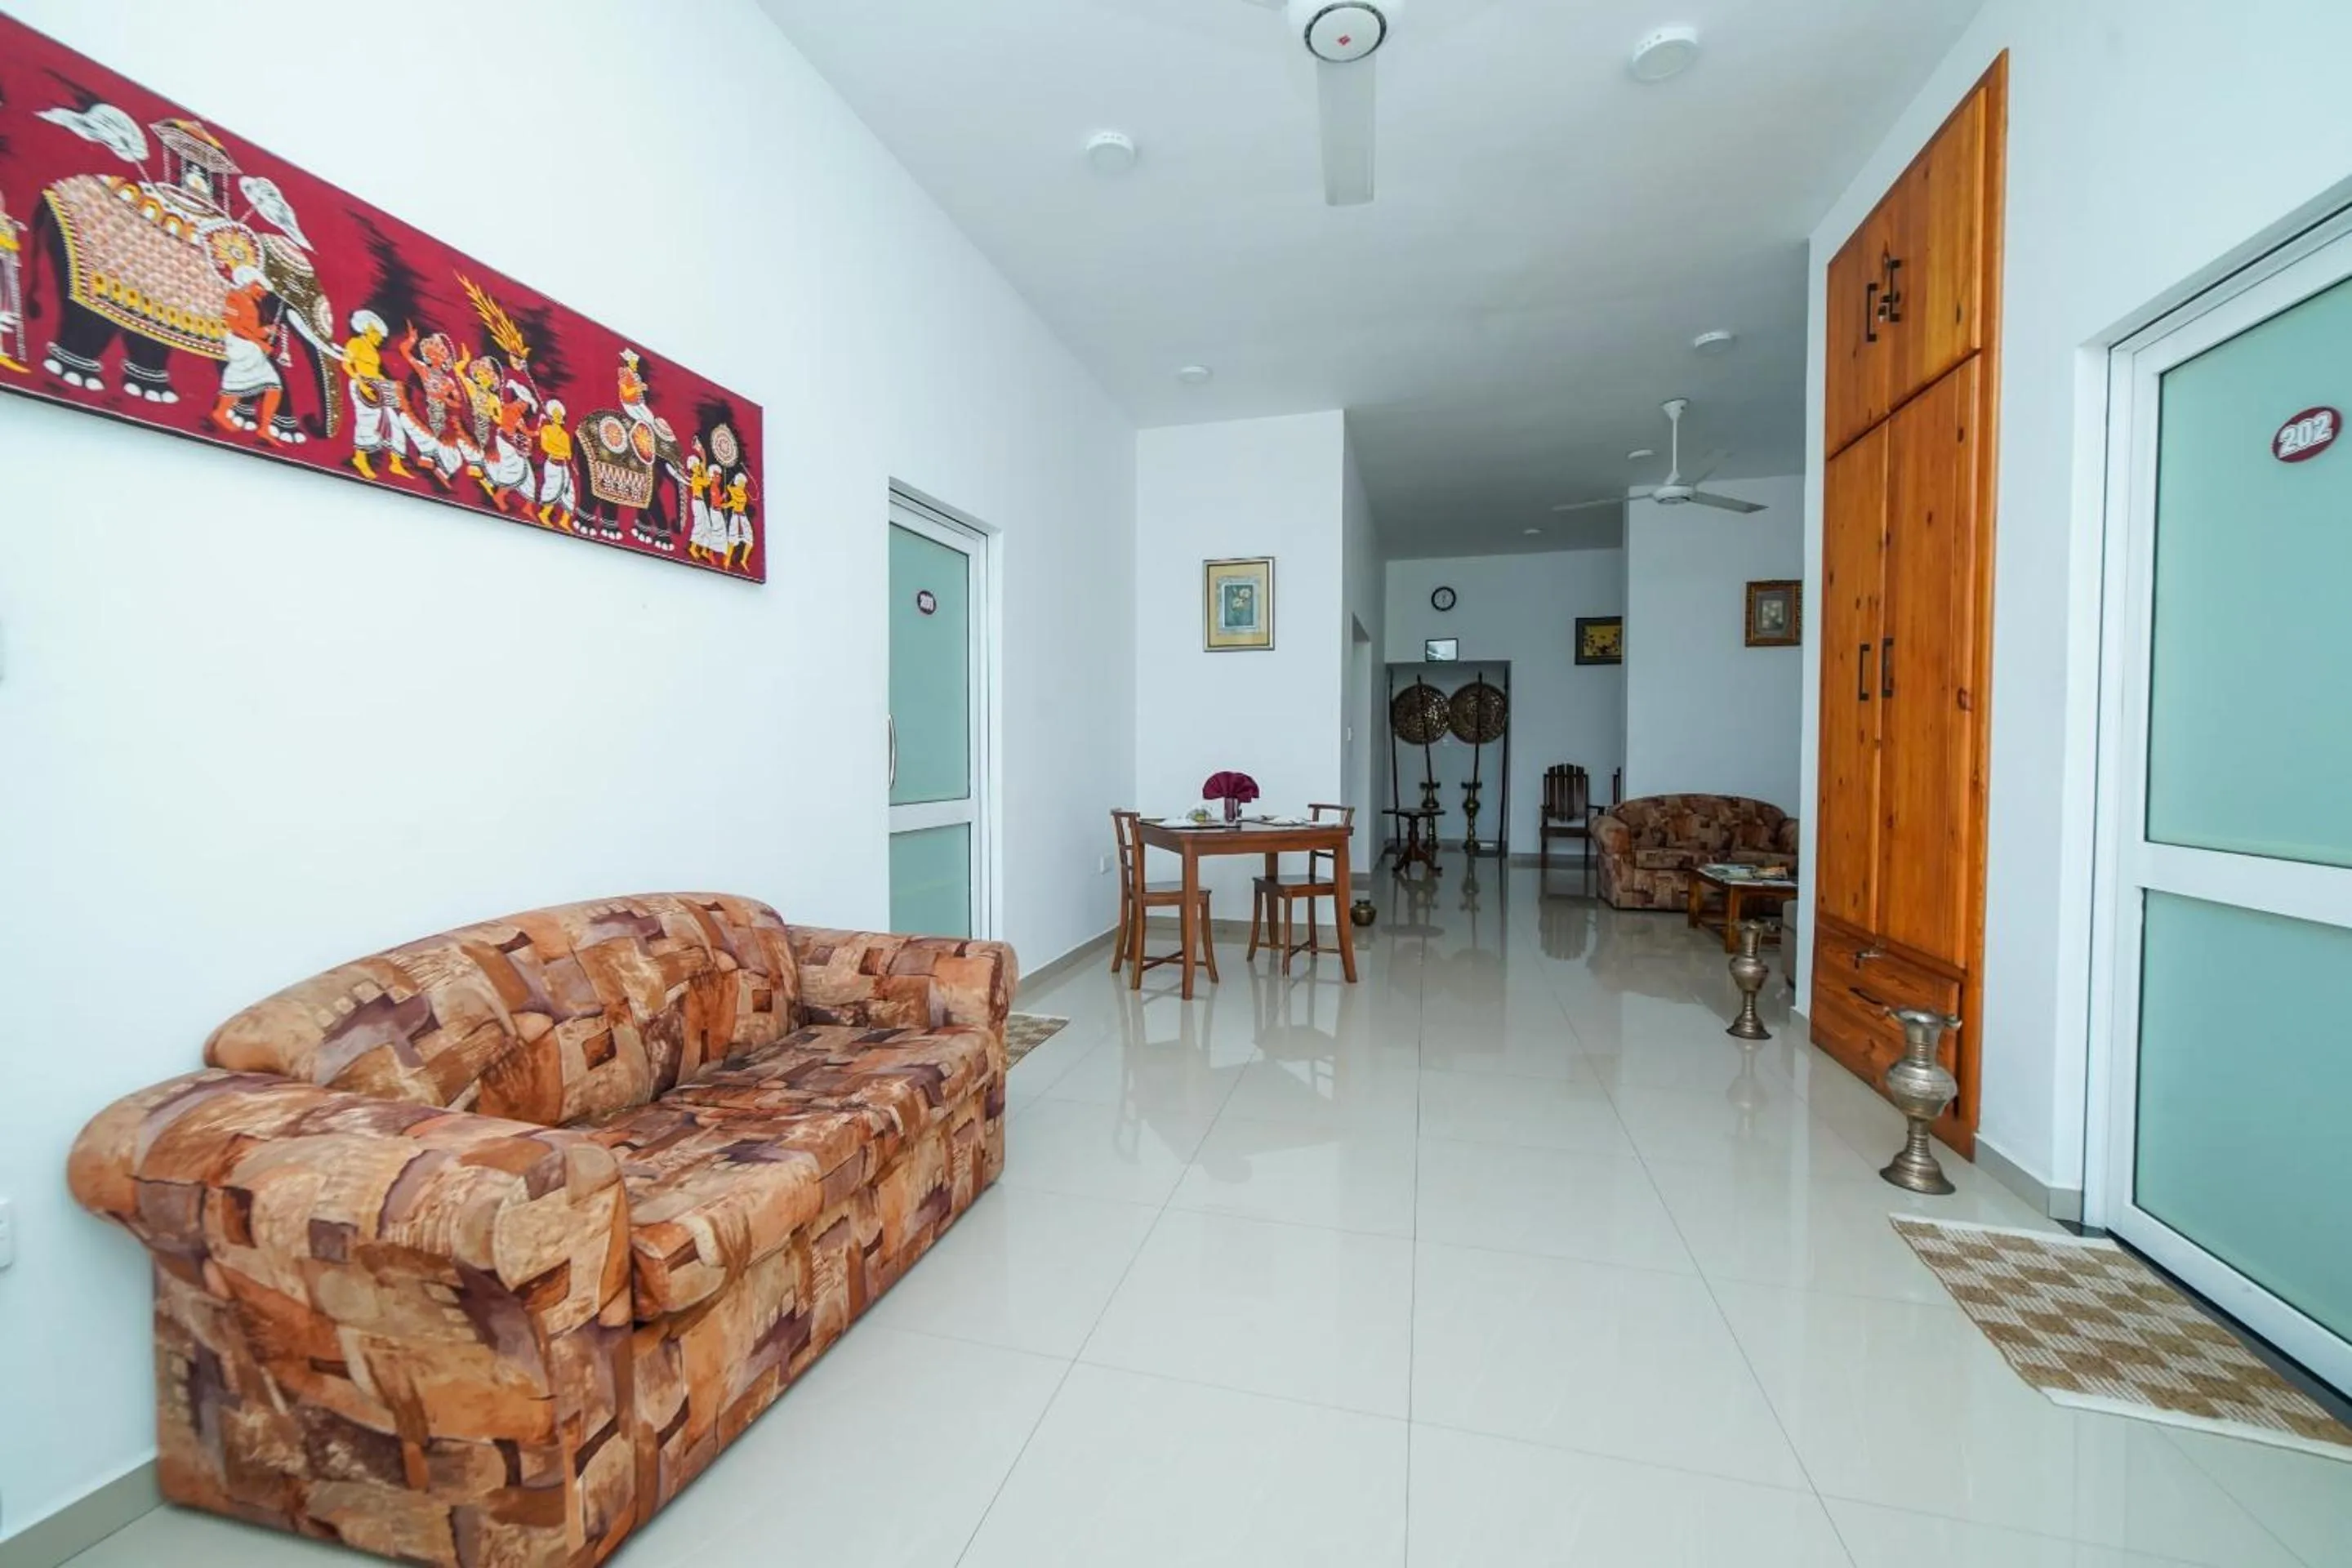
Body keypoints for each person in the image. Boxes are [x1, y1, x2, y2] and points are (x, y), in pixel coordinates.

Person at [212, 265, 283, 443]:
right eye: (261, 288)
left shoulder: (256, 304)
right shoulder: (235, 297)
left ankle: (265, 428)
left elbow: (254, 330)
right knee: (237, 379)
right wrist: (261, 342)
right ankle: (221, 412)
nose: (264, 293)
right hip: (241, 346)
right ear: (250, 283)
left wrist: (267, 330)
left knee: (274, 385)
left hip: (254, 348)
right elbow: (236, 327)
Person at [341, 310, 412, 480]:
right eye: (378, 335)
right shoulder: (355, 343)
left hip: (377, 386)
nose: (380, 339)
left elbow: (375, 371)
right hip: (361, 385)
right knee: (367, 421)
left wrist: (388, 384)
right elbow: (346, 365)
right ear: (368, 330)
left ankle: (395, 463)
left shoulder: (373, 350)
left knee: (394, 421)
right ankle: (360, 459)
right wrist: (362, 384)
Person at [536, 398, 578, 530]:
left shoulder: (565, 435)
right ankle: (544, 514)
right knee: (552, 489)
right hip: (553, 464)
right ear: (551, 416)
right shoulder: (546, 430)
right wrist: (561, 451)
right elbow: (546, 446)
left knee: (569, 492)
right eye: (556, 414)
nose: (559, 416)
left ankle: (565, 520)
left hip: (564, 466)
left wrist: (564, 452)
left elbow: (568, 453)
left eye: (560, 414)